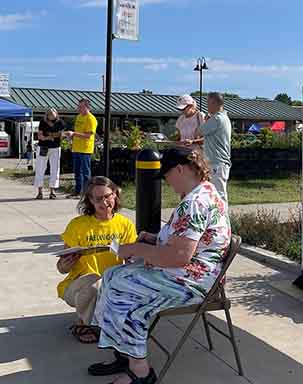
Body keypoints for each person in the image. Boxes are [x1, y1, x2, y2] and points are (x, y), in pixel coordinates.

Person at [87, 148, 229, 384]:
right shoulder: (206, 192)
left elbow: (179, 257)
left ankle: (140, 371)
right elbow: (191, 243)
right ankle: (125, 352)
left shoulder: (194, 202)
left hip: (193, 282)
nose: (167, 182)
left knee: (123, 287)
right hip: (194, 274)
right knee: (112, 275)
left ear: (180, 169)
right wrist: (154, 240)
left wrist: (134, 249)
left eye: (167, 176)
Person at [57, 176, 137, 344]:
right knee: (95, 282)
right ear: (90, 201)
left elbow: (133, 260)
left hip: (113, 283)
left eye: (108, 196)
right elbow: (61, 269)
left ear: (115, 194)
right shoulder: (78, 225)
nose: (105, 202)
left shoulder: (125, 224)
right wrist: (66, 263)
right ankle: (84, 325)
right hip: (79, 286)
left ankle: (103, 321)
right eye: (98, 198)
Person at [195, 92, 232, 202]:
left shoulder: (217, 119)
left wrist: (202, 120)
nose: (207, 106)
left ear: (214, 103)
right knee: (214, 194)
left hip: (217, 163)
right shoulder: (224, 118)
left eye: (208, 103)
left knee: (219, 195)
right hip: (218, 163)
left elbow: (198, 132)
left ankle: (223, 218)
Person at [67, 99, 98, 198]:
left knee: (85, 173)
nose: (78, 108)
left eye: (81, 106)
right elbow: (78, 132)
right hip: (76, 148)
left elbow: (88, 135)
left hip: (85, 149)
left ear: (87, 107)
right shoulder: (79, 117)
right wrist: (71, 136)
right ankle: (77, 191)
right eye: (78, 106)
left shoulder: (91, 119)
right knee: (77, 171)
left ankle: (86, 193)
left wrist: (74, 133)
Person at [33, 108, 64, 199]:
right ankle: (40, 192)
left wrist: (49, 135)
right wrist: (50, 137)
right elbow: (40, 136)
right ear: (47, 115)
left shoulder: (60, 122)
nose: (51, 116)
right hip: (43, 147)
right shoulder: (43, 122)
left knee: (55, 168)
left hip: (55, 148)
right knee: (40, 168)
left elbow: (61, 135)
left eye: (53, 114)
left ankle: (52, 191)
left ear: (56, 114)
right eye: (49, 114)